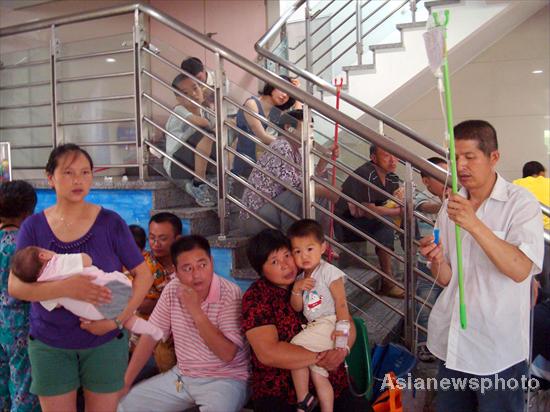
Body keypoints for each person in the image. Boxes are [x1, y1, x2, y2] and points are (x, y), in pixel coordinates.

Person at [8, 144, 152, 412]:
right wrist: (66, 288)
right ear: (50, 177)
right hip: (50, 343)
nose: (78, 180)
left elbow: (143, 276)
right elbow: (15, 286)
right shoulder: (34, 226)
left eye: (85, 172)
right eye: (69, 172)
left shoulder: (111, 223)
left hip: (105, 343)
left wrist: (116, 321)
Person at [419, 120, 544, 412]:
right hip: (452, 342)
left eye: (469, 157)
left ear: (494, 157)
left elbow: (520, 269)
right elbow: (447, 279)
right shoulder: (451, 205)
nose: (460, 165)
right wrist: (435, 259)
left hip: (497, 347)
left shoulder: (520, 203)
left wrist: (474, 224)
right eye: (455, 157)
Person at [118, 235, 249, 412]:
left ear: (211, 262)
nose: (197, 275)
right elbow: (150, 336)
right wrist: (126, 383)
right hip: (183, 377)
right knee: (125, 404)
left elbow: (226, 354)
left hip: (226, 379)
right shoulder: (172, 289)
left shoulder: (230, 293)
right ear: (176, 271)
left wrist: (195, 310)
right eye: (187, 268)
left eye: (202, 265)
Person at [242, 228, 368, 411]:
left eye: (287, 255)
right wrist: (320, 358)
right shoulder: (256, 297)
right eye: (274, 262)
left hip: (331, 380)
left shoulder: (312, 276)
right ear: (261, 270)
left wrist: (342, 350)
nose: (285, 265)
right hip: (282, 391)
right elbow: (268, 352)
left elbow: (345, 319)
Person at [11, 247, 163, 341]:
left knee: (127, 320)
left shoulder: (41, 288)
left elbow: (56, 306)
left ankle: (153, 332)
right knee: (126, 305)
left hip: (93, 315)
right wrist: (64, 257)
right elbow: (87, 260)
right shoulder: (59, 261)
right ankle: (155, 332)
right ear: (43, 255)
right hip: (113, 289)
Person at [239, 109, 338, 236]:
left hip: (268, 213)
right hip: (254, 218)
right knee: (298, 194)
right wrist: (327, 191)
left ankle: (320, 241)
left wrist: (324, 160)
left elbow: (309, 181)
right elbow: (296, 186)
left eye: (312, 128)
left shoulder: (296, 151)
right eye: (306, 128)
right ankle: (295, 240)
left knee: (317, 191)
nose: (310, 133)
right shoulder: (281, 146)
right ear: (288, 128)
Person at [287, 219, 351, 412]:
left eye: (309, 249)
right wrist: (296, 290)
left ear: (323, 247)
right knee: (318, 376)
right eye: (297, 251)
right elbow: (297, 308)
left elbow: (341, 302)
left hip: (329, 324)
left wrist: (342, 333)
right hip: (315, 325)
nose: (304, 255)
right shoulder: (300, 278)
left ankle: (303, 399)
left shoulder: (329, 272)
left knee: (294, 351)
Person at [335, 145, 404, 298]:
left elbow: (389, 204)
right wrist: (399, 210)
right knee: (385, 222)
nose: (393, 160)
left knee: (406, 220)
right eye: (387, 155)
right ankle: (388, 282)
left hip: (365, 221)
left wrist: (400, 207)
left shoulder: (392, 177)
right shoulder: (366, 174)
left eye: (395, 155)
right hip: (345, 224)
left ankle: (414, 265)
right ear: (373, 158)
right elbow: (371, 211)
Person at [0, 180, 40, 412]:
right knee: (25, 387)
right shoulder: (23, 247)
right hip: (20, 327)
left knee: (2, 384)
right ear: (28, 212)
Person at [163, 73, 217, 207]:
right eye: (185, 93)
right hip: (176, 164)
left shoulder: (205, 111)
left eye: (195, 88)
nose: (193, 94)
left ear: (201, 89)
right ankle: (199, 183)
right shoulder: (179, 109)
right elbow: (201, 123)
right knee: (208, 132)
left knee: (223, 136)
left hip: (192, 160)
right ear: (178, 98)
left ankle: (222, 178)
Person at [414, 157, 447, 362]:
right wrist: (447, 203)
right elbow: (425, 207)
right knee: (426, 304)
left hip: (447, 263)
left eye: (448, 175)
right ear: (426, 180)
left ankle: (443, 342)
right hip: (426, 263)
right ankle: (424, 344)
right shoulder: (420, 197)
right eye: (440, 176)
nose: (446, 181)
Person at [232, 75, 296, 178]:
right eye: (282, 90)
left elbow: (296, 123)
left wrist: (297, 96)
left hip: (262, 160)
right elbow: (262, 136)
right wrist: (289, 145)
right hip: (246, 161)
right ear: (272, 86)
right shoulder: (252, 104)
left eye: (288, 94)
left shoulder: (275, 111)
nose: (284, 95)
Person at [513, 160, 549, 296]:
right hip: (546, 234)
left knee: (533, 276)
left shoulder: (517, 184)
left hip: (527, 236)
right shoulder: (548, 182)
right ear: (540, 173)